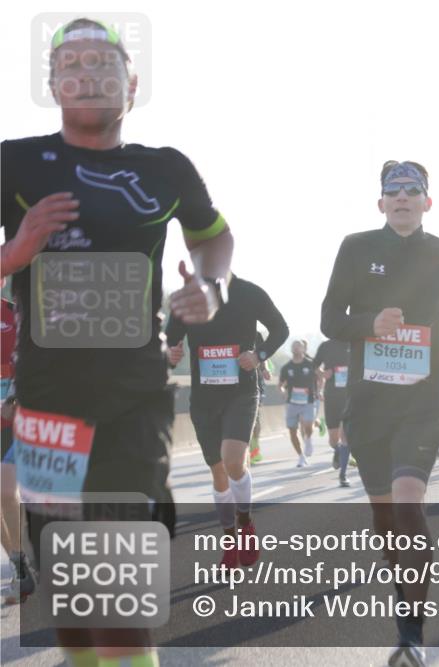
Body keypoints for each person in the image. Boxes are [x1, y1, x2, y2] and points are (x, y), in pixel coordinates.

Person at [1, 17, 233, 667]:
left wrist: (210, 288)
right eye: (69, 64)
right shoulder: (12, 161)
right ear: (52, 85)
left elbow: (213, 236)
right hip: (48, 405)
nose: (87, 74)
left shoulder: (165, 169)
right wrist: (14, 252)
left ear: (131, 83)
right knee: (71, 593)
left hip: (137, 397)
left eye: (102, 63)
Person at [321, 160, 439, 667]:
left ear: (427, 201)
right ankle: (400, 567)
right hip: (368, 405)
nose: (402, 197)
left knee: (409, 507)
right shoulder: (356, 247)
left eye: (412, 190)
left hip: (423, 404)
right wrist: (370, 324)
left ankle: (411, 636)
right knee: (387, 519)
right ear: (380, 203)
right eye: (392, 190)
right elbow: (328, 321)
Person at [166, 275, 288, 568]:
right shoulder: (187, 299)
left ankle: (245, 524)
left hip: (241, 393)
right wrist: (171, 352)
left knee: (234, 461)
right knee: (219, 474)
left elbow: (280, 329)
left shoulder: (249, 293)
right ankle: (229, 539)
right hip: (204, 399)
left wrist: (258, 355)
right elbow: (170, 340)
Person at [0, 293, 36, 604]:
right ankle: (18, 564)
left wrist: (14, 399)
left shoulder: (14, 314)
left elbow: (27, 360)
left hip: (12, 420)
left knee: (6, 492)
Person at [314, 337, 351, 486]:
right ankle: (338, 451)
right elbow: (314, 365)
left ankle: (343, 475)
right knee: (333, 439)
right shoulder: (326, 346)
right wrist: (322, 373)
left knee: (346, 435)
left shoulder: (353, 342)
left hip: (350, 394)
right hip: (332, 394)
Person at [279, 340, 318, 468]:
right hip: (292, 402)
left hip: (308, 401)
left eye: (298, 346)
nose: (296, 348)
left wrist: (320, 391)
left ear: (303, 349)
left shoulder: (311, 364)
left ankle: (308, 439)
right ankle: (301, 456)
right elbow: (280, 385)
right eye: (293, 346)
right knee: (292, 431)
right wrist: (283, 391)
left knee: (307, 424)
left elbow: (321, 376)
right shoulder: (286, 367)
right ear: (291, 349)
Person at [248, 331, 275, 465]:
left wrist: (265, 369)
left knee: (255, 417)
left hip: (255, 381)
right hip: (233, 380)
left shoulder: (256, 334)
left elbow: (263, 354)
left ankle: (254, 448)